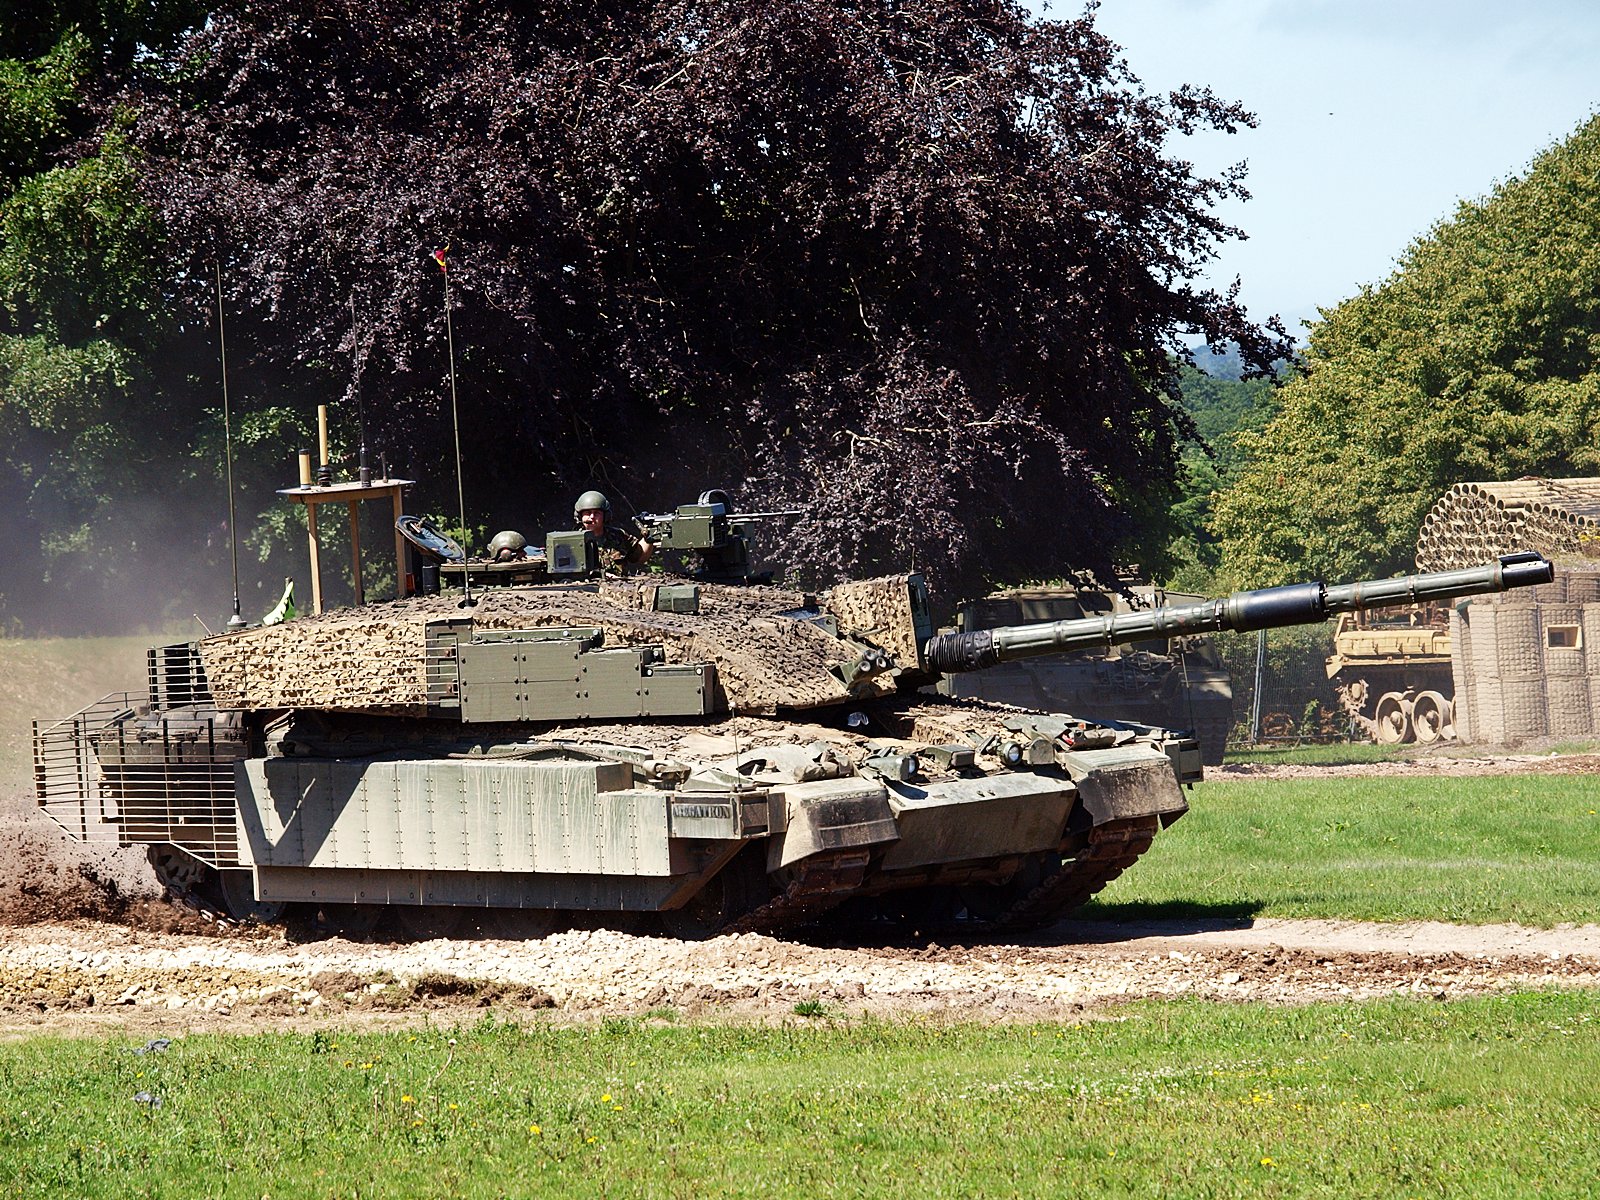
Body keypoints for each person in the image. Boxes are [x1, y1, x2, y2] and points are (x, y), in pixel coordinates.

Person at [574, 490, 654, 566]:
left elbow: (639, 557)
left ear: (605, 516)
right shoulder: (573, 542)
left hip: (620, 580)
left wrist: (648, 538)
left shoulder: (618, 536)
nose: (592, 517)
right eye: (587, 513)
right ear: (580, 516)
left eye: (597, 513)